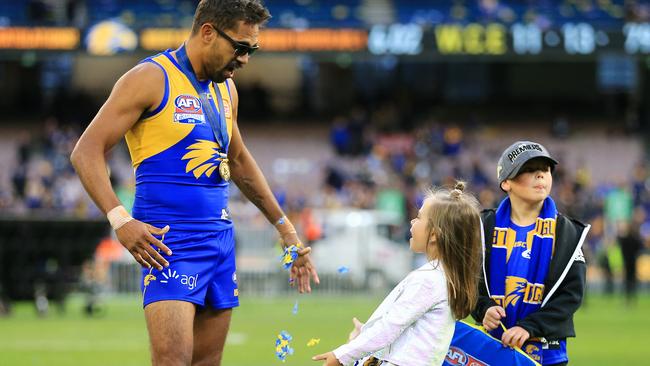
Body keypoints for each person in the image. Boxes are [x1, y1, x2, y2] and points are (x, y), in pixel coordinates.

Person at [70, 1, 319, 365]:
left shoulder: (226, 90)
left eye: (253, 50)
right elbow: (86, 151)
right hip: (170, 244)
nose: (245, 59)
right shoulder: (150, 78)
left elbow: (239, 162)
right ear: (207, 32)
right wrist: (120, 219)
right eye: (240, 47)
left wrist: (286, 229)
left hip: (219, 242)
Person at [313, 182, 482, 366]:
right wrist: (367, 332)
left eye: (418, 218)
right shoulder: (443, 277)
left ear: (434, 234)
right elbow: (406, 331)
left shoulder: (429, 279)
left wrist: (342, 355)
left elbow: (390, 327)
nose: (412, 221)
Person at [472, 141, 590, 366]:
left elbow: (570, 296)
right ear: (506, 182)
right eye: (529, 169)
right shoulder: (483, 227)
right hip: (491, 350)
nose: (540, 175)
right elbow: (468, 283)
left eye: (545, 170)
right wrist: (483, 309)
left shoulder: (567, 232)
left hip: (548, 354)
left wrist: (529, 327)